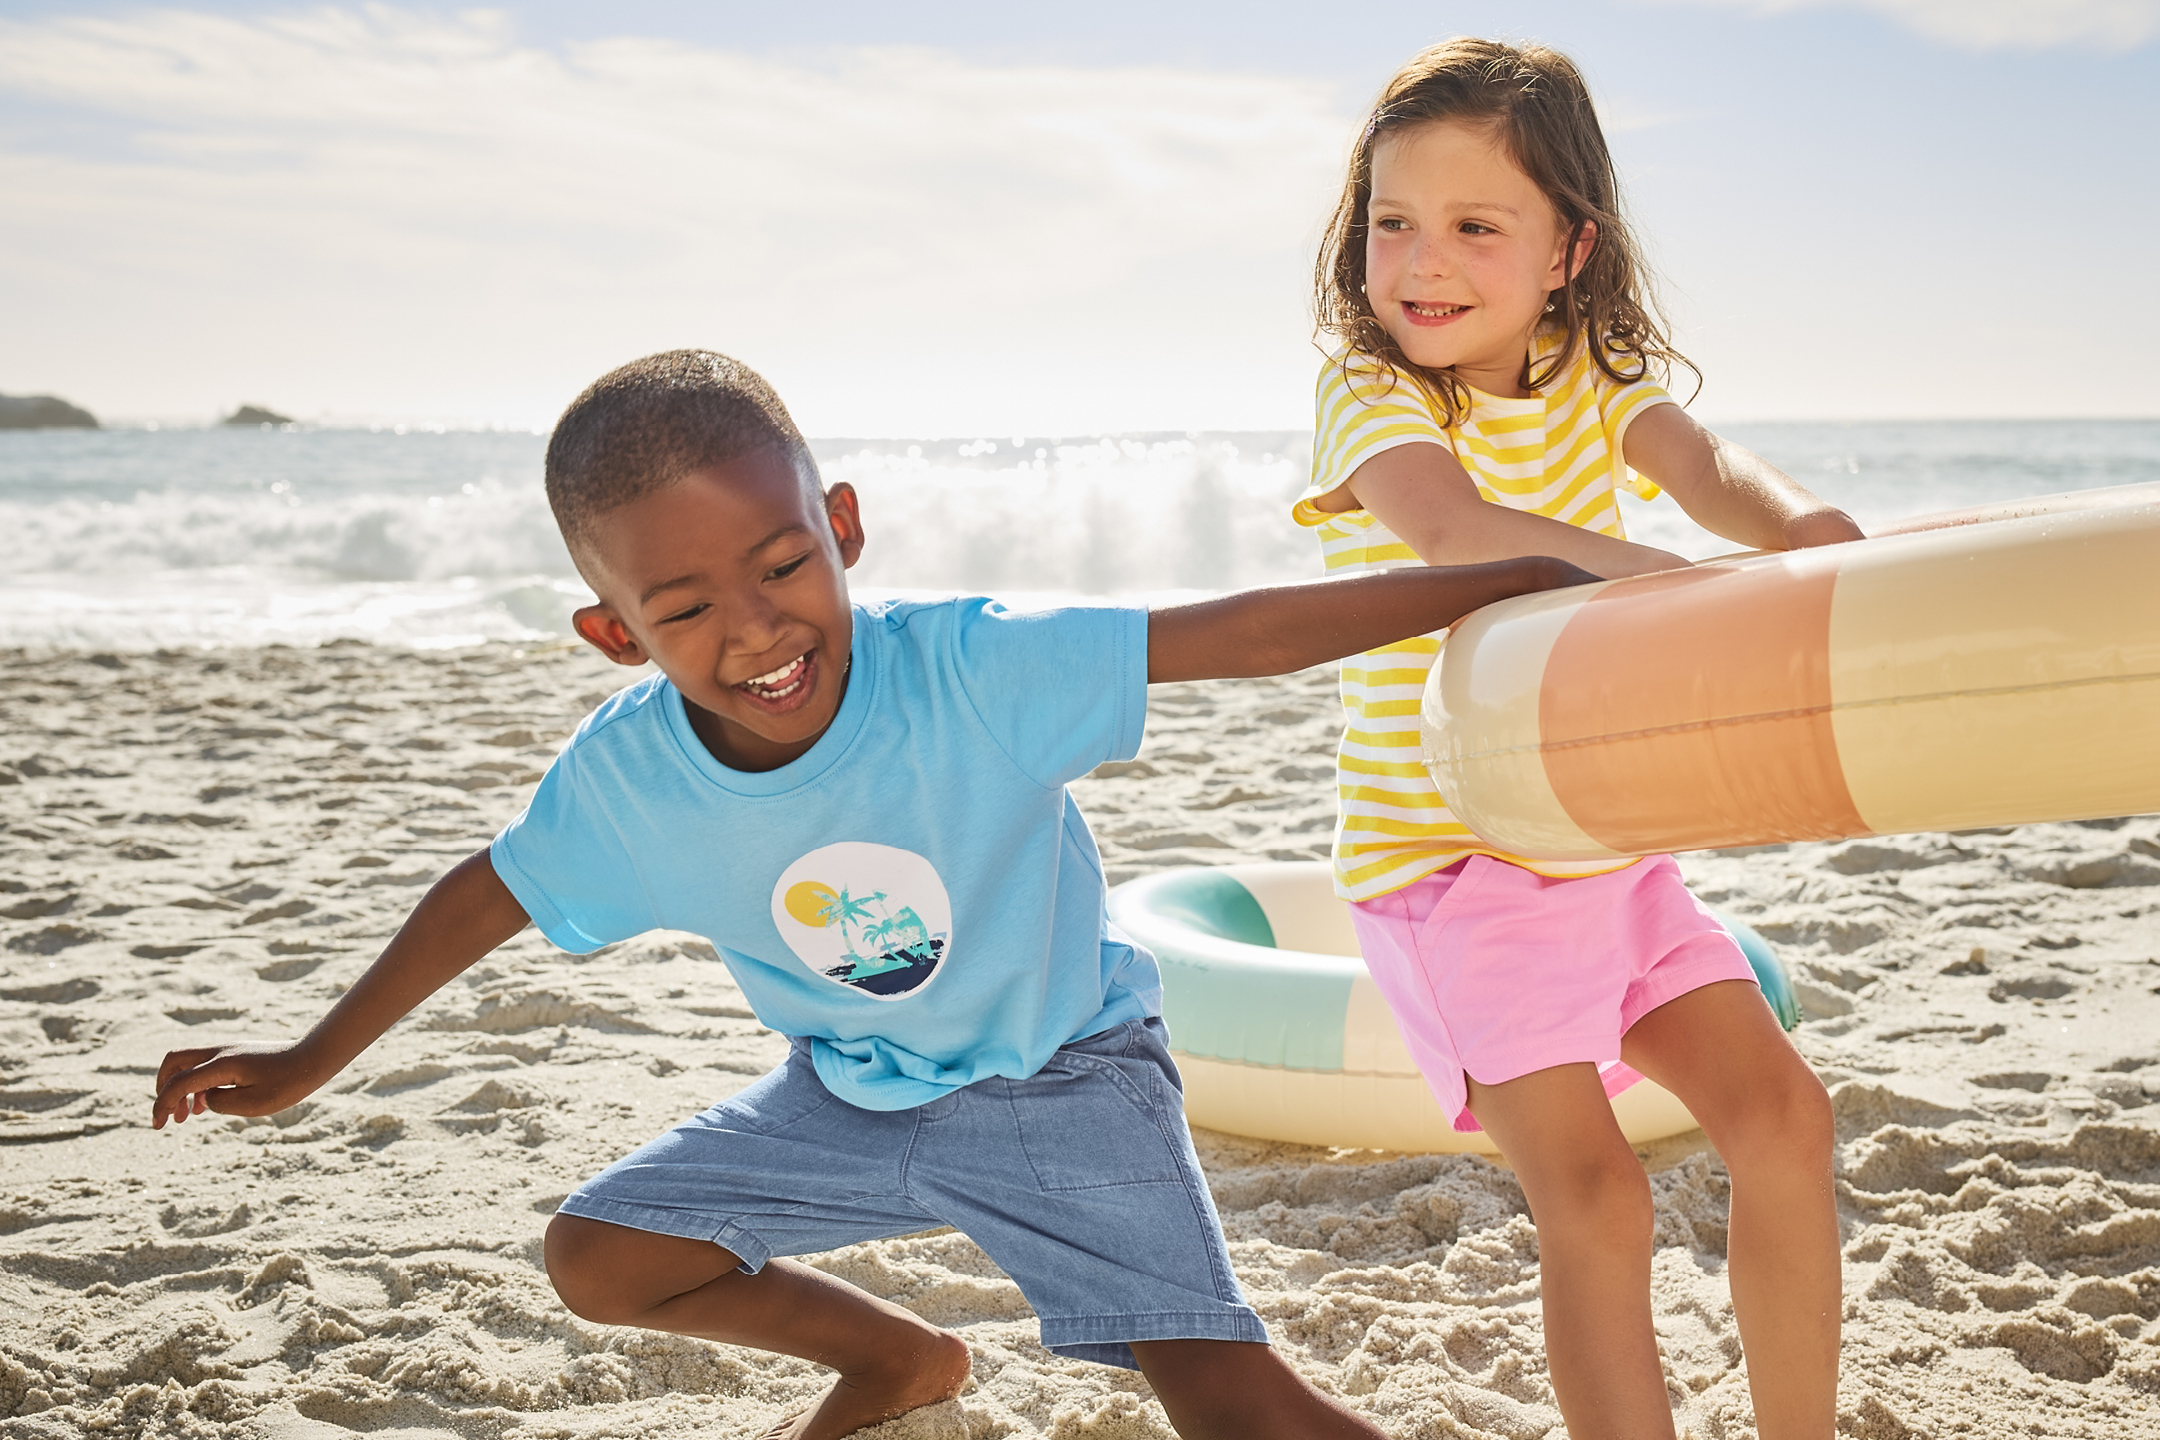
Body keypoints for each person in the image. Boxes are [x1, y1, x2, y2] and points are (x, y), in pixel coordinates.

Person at [152, 349, 1597, 1440]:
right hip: (848, 1094)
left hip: (1062, 1082)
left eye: (782, 564)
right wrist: (302, 1063)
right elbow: (492, 893)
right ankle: (897, 1359)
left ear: (841, 524)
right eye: (687, 609)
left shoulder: (972, 670)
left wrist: (1501, 576)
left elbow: (1243, 633)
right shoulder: (634, 780)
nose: (758, 628)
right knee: (603, 1256)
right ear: (612, 631)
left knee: (1225, 1402)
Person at [1295, 38, 1858, 1440]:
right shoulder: (1373, 396)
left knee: (1786, 1120)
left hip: (1602, 856)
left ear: (1568, 250)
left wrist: (1805, 540)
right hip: (1448, 874)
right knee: (1597, 1198)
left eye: (1476, 226)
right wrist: (1671, 586)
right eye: (1393, 222)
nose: (1423, 261)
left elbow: (1708, 468)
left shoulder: (1593, 370)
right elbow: (1455, 533)